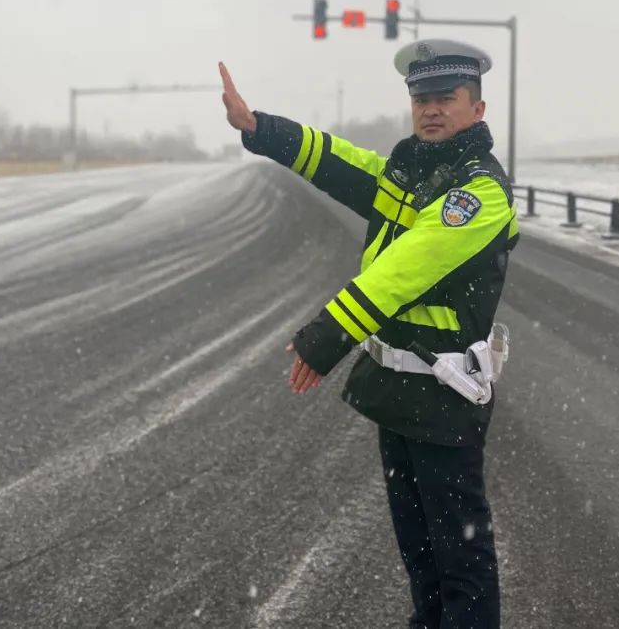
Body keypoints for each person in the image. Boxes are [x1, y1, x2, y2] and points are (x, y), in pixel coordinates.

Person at [219, 38, 519, 629]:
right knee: (421, 553)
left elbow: (403, 270)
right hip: (397, 391)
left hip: (446, 394)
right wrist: (260, 128)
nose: (431, 109)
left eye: (446, 98)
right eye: (422, 98)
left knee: (461, 562)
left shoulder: (477, 191)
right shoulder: (412, 173)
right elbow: (342, 164)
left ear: (477, 109)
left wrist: (326, 336)